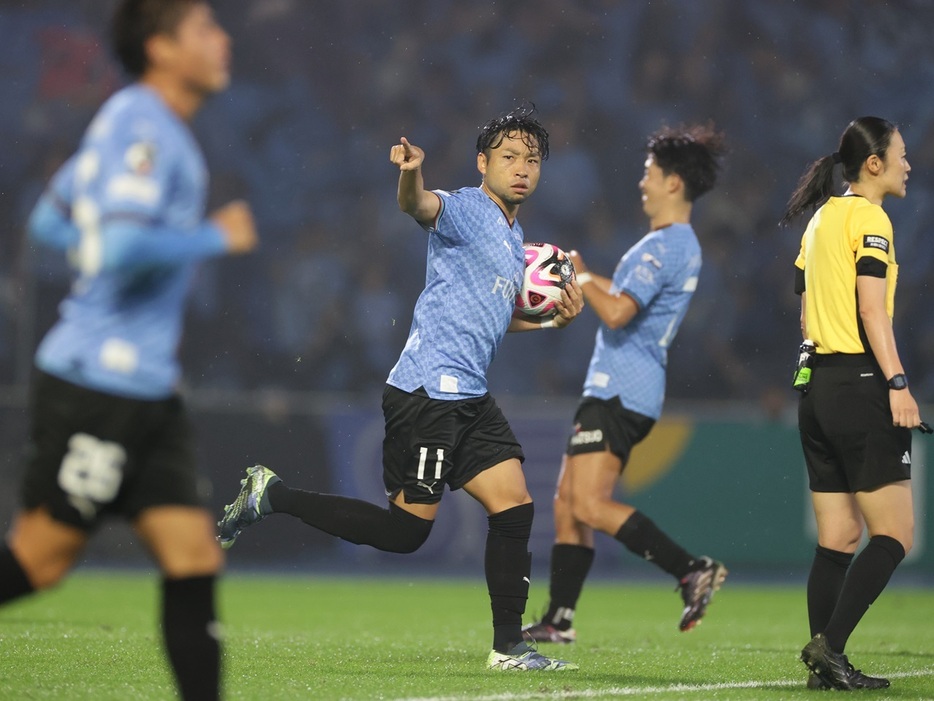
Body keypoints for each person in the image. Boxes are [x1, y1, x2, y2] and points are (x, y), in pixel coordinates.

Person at [217, 104, 584, 672]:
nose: (521, 169)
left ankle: (509, 647)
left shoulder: (517, 241)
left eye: (532, 160)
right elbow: (417, 204)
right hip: (428, 393)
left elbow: (494, 313)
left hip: (468, 395)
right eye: (509, 157)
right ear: (482, 163)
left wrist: (551, 320)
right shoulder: (465, 209)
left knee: (514, 505)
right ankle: (274, 495)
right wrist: (410, 172)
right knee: (407, 532)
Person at [0, 2, 258, 699]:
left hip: (147, 389)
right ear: (161, 47)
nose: (223, 38)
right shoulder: (144, 126)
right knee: (40, 560)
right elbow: (117, 246)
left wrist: (97, 246)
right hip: (98, 382)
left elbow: (50, 220)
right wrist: (213, 237)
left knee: (193, 555)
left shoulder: (131, 125)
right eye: (205, 28)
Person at [523, 124, 728, 644]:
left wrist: (580, 277)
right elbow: (626, 303)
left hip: (621, 389)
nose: (642, 182)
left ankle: (690, 568)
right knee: (568, 501)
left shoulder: (667, 245)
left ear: (674, 183)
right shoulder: (671, 245)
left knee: (588, 503)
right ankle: (559, 620)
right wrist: (589, 273)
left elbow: (616, 314)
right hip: (617, 387)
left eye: (649, 173)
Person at [781, 117, 917, 691]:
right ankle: (830, 648)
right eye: (901, 156)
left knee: (837, 538)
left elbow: (808, 310)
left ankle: (823, 670)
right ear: (874, 164)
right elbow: (872, 311)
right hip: (862, 384)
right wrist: (897, 383)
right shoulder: (870, 218)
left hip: (815, 388)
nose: (909, 165)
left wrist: (817, 374)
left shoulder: (819, 221)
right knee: (895, 536)